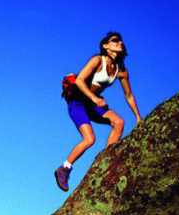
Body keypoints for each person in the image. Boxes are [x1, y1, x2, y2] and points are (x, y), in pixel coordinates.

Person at [55, 31, 141, 192]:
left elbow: (128, 95)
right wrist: (94, 99)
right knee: (89, 139)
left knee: (119, 122)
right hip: (78, 101)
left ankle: (107, 161)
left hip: (93, 102)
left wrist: (138, 117)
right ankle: (64, 168)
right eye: (115, 40)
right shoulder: (97, 61)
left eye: (121, 41)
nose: (120, 43)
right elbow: (80, 80)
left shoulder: (121, 71)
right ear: (105, 46)